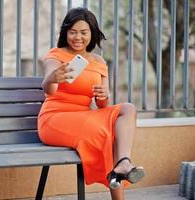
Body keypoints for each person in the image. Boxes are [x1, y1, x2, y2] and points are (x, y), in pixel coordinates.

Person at [37, 7, 145, 200]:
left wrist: (104, 94)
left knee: (128, 109)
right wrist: (53, 77)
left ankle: (124, 162)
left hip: (85, 116)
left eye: (83, 32)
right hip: (55, 118)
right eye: (73, 32)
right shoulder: (56, 55)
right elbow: (48, 88)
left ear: (92, 34)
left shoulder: (99, 62)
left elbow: (103, 105)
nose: (77, 37)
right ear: (66, 32)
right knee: (107, 133)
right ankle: (118, 182)